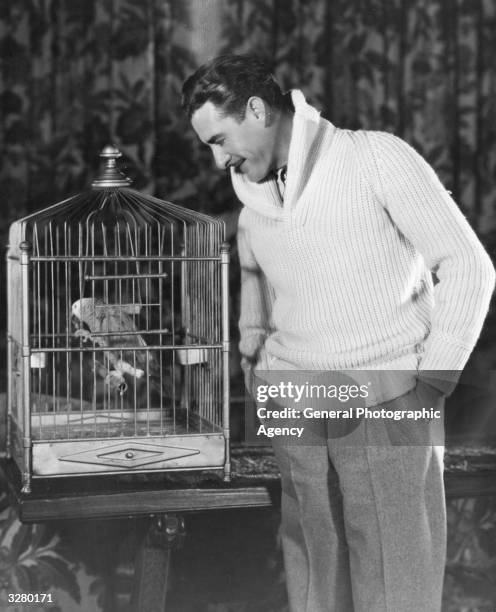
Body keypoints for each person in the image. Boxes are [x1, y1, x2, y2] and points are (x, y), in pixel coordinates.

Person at [181, 54, 495, 612]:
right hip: (296, 401)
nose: (216, 159)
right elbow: (257, 302)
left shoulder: (375, 157)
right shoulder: (252, 205)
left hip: (389, 394)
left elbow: (471, 265)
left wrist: (432, 385)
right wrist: (262, 381)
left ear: (257, 110)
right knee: (313, 579)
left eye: (219, 138)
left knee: (396, 583)